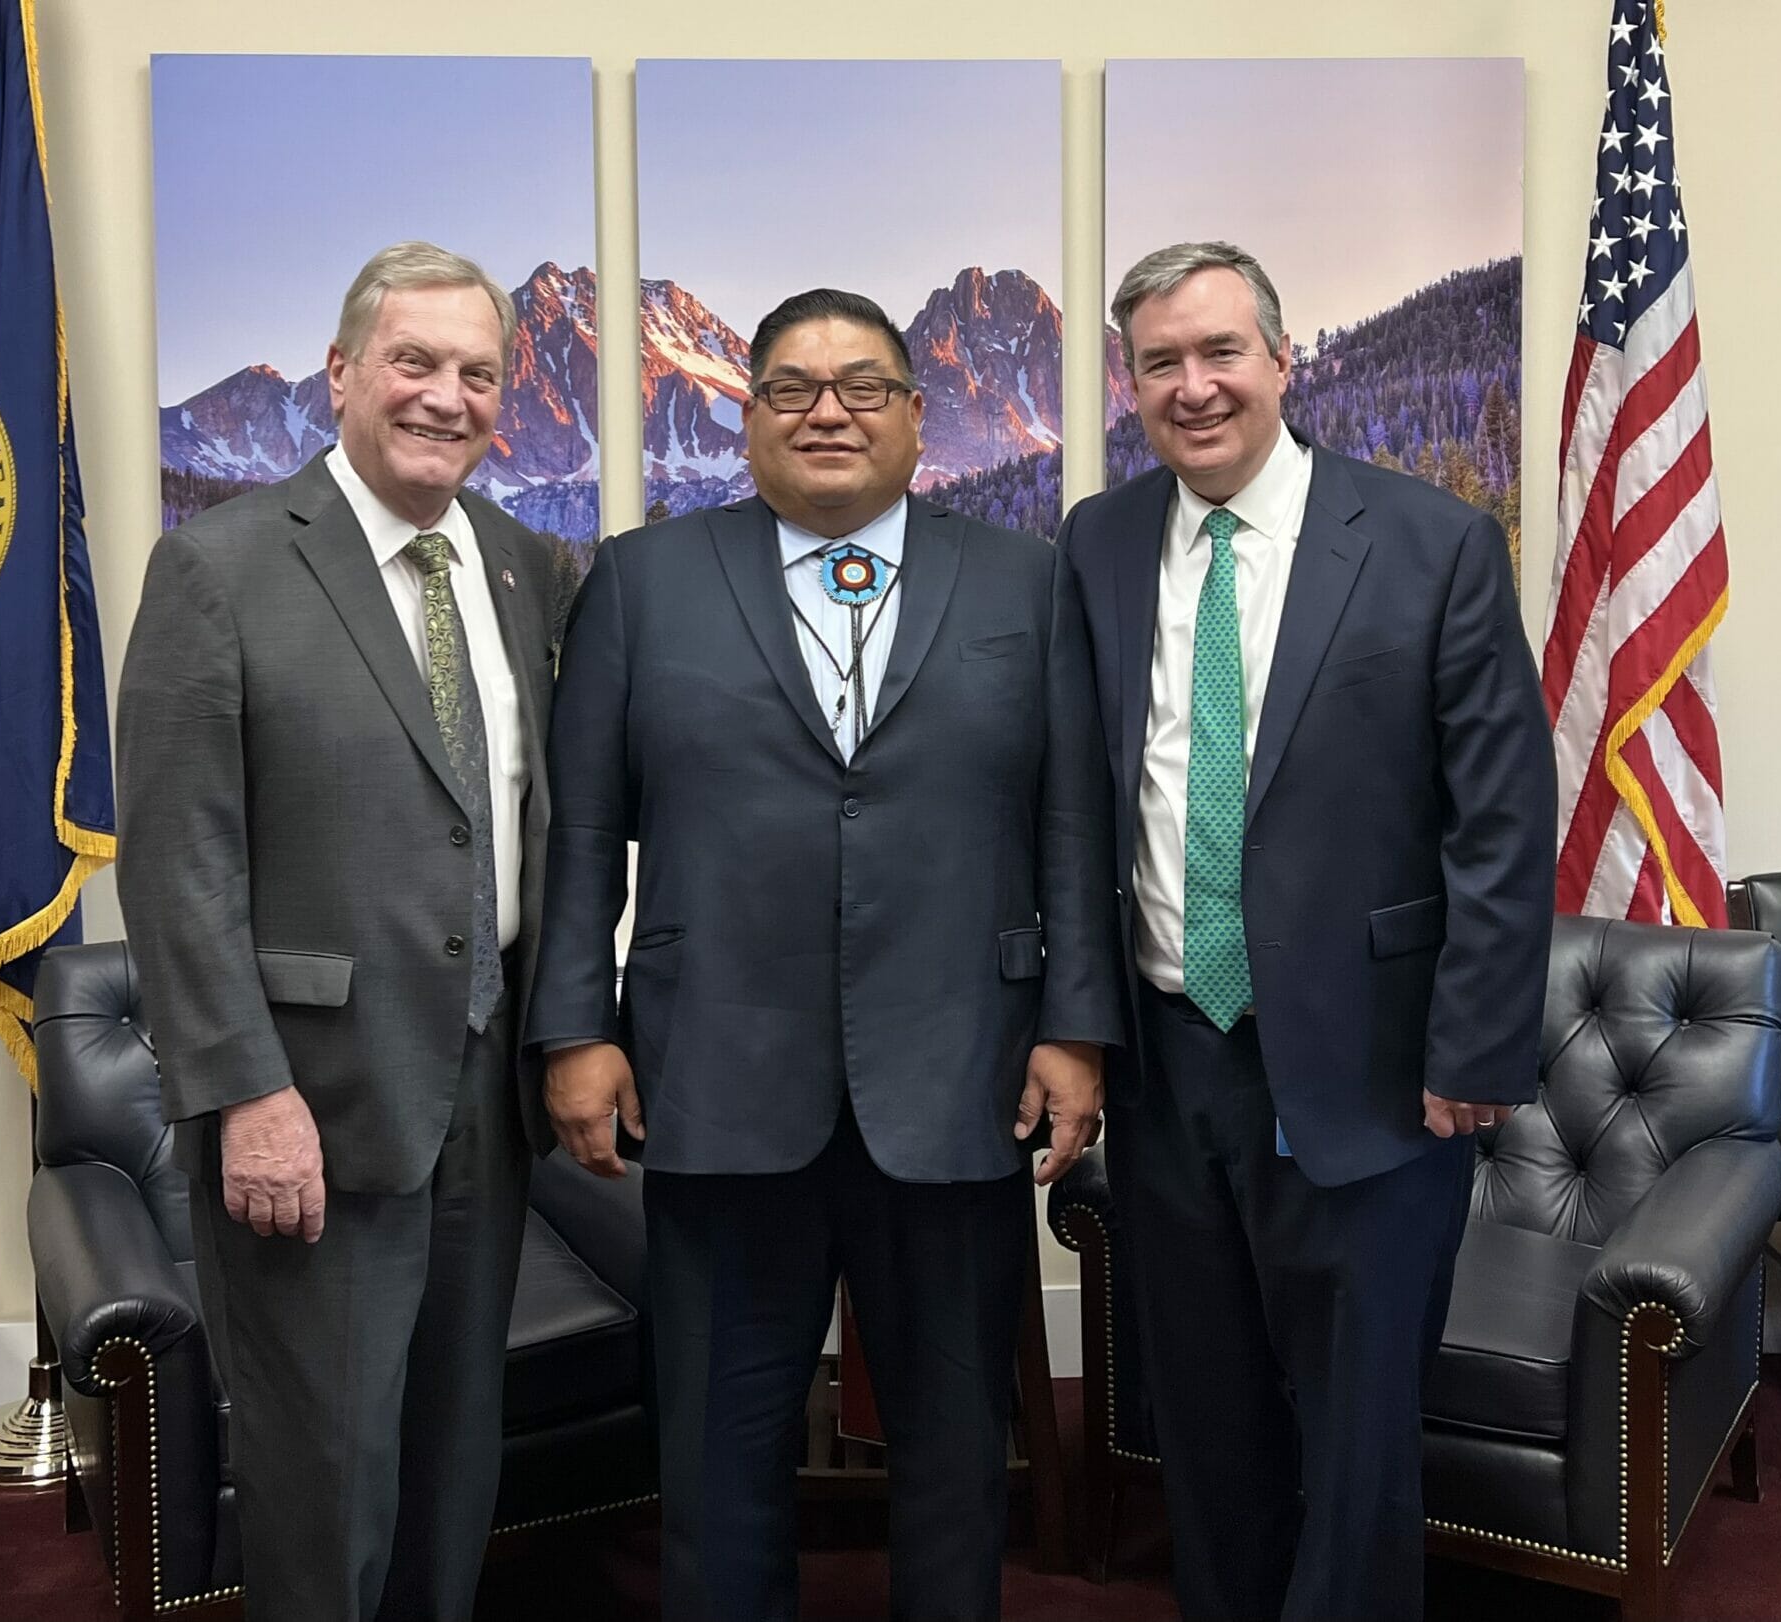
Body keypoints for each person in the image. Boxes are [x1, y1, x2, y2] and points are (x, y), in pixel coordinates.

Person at [528, 288, 1122, 1622]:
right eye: (792, 387)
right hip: (718, 1087)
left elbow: (1070, 825)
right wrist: (575, 1027)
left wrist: (1076, 1027)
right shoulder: (642, 581)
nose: (829, 408)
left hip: (963, 1079)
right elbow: (583, 833)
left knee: (960, 1450)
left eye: (863, 384)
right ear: (747, 420)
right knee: (718, 1450)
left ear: (919, 416)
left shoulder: (1026, 581)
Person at [1056, 241, 1555, 1622]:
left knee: (1356, 1435)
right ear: (1130, 382)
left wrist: (1478, 1046)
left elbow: (1503, 824)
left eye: (1223, 351)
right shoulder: (1097, 543)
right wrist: (1079, 1031)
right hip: (1172, 1061)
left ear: (1288, 359)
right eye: (1162, 360)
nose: (1195, 385)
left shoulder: (1429, 540)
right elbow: (1080, 805)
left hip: (1376, 1065)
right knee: (1202, 1420)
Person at [117, 241, 562, 1622]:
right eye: (415, 363)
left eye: (477, 372)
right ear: (342, 372)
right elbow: (177, 863)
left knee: (452, 1461)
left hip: (486, 1092)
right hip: (309, 1103)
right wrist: (247, 1090)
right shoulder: (220, 568)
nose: (446, 396)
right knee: (328, 1472)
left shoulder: (521, 566)